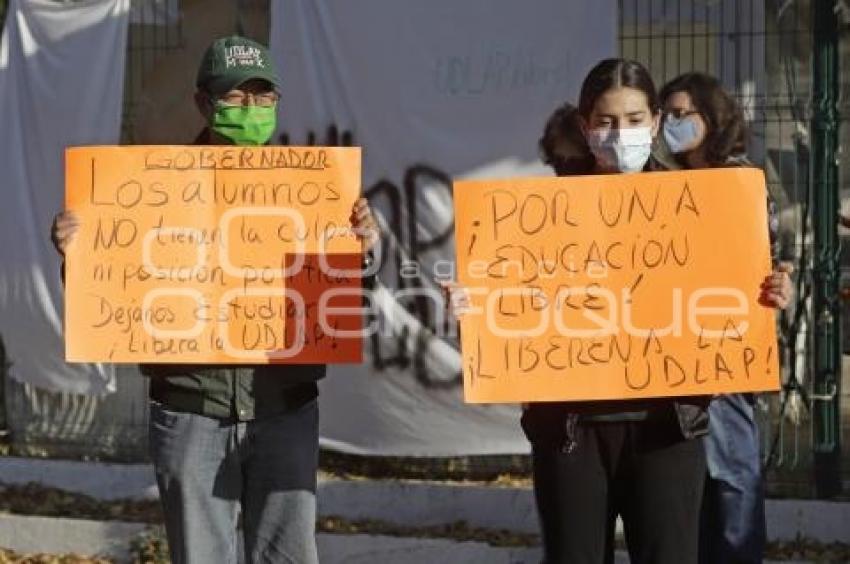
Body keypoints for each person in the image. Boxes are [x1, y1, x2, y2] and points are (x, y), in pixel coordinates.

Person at [444, 58, 792, 564]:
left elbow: (729, 308)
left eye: (632, 120)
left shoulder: (700, 208)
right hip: (571, 432)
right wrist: (472, 310)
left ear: (654, 123)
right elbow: (510, 314)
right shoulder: (539, 217)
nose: (619, 133)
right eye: (606, 121)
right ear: (585, 127)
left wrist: (768, 298)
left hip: (668, 427)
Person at [51, 36, 378, 564]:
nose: (250, 109)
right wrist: (78, 254)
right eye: (235, 97)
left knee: (289, 555)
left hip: (284, 410)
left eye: (263, 97)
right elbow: (113, 287)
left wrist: (361, 251)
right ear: (204, 103)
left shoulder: (314, 192)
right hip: (190, 413)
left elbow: (346, 300)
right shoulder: (151, 188)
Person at [660, 71, 792, 564]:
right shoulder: (663, 185)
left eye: (681, 114)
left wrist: (781, 286)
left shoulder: (741, 185)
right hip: (673, 350)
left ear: (711, 118)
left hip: (725, 355)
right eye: (665, 114)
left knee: (733, 475)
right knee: (696, 481)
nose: (670, 123)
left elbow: (768, 262)